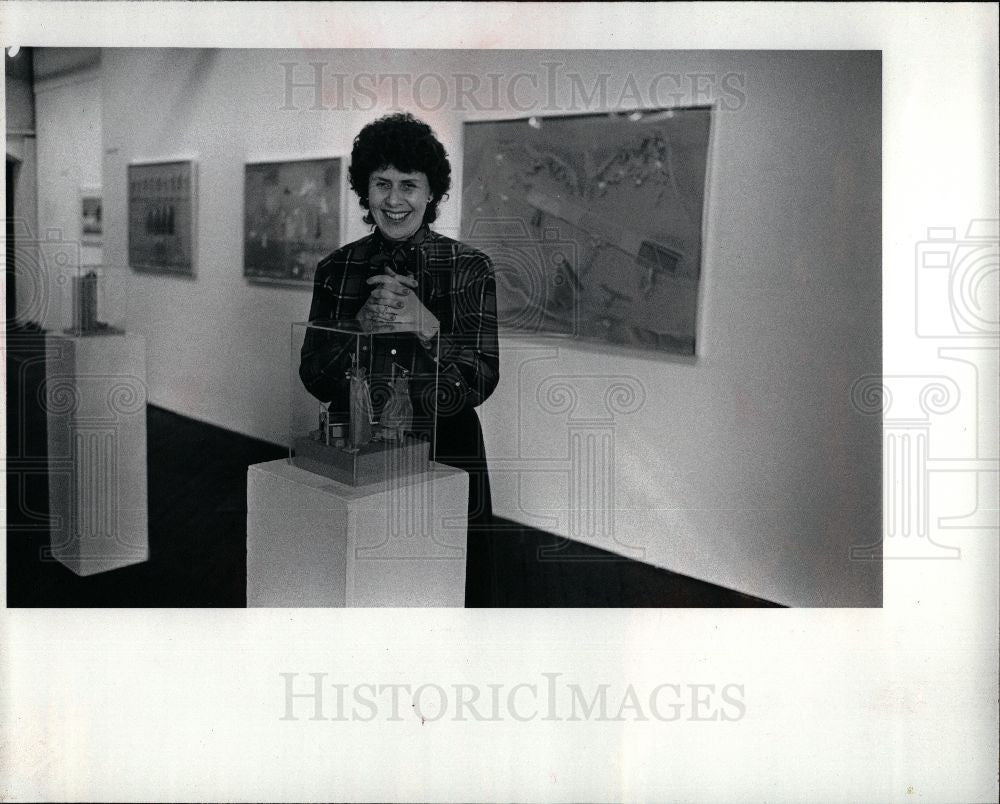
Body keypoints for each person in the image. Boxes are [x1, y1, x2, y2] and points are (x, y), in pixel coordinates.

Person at [299, 112, 499, 606]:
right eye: (382, 183)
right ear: (364, 189)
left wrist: (427, 326)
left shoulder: (469, 268)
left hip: (446, 447)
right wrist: (358, 327)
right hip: (357, 444)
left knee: (449, 591)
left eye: (409, 185)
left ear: (431, 193)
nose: (394, 200)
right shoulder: (335, 268)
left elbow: (480, 379)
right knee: (361, 583)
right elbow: (313, 375)